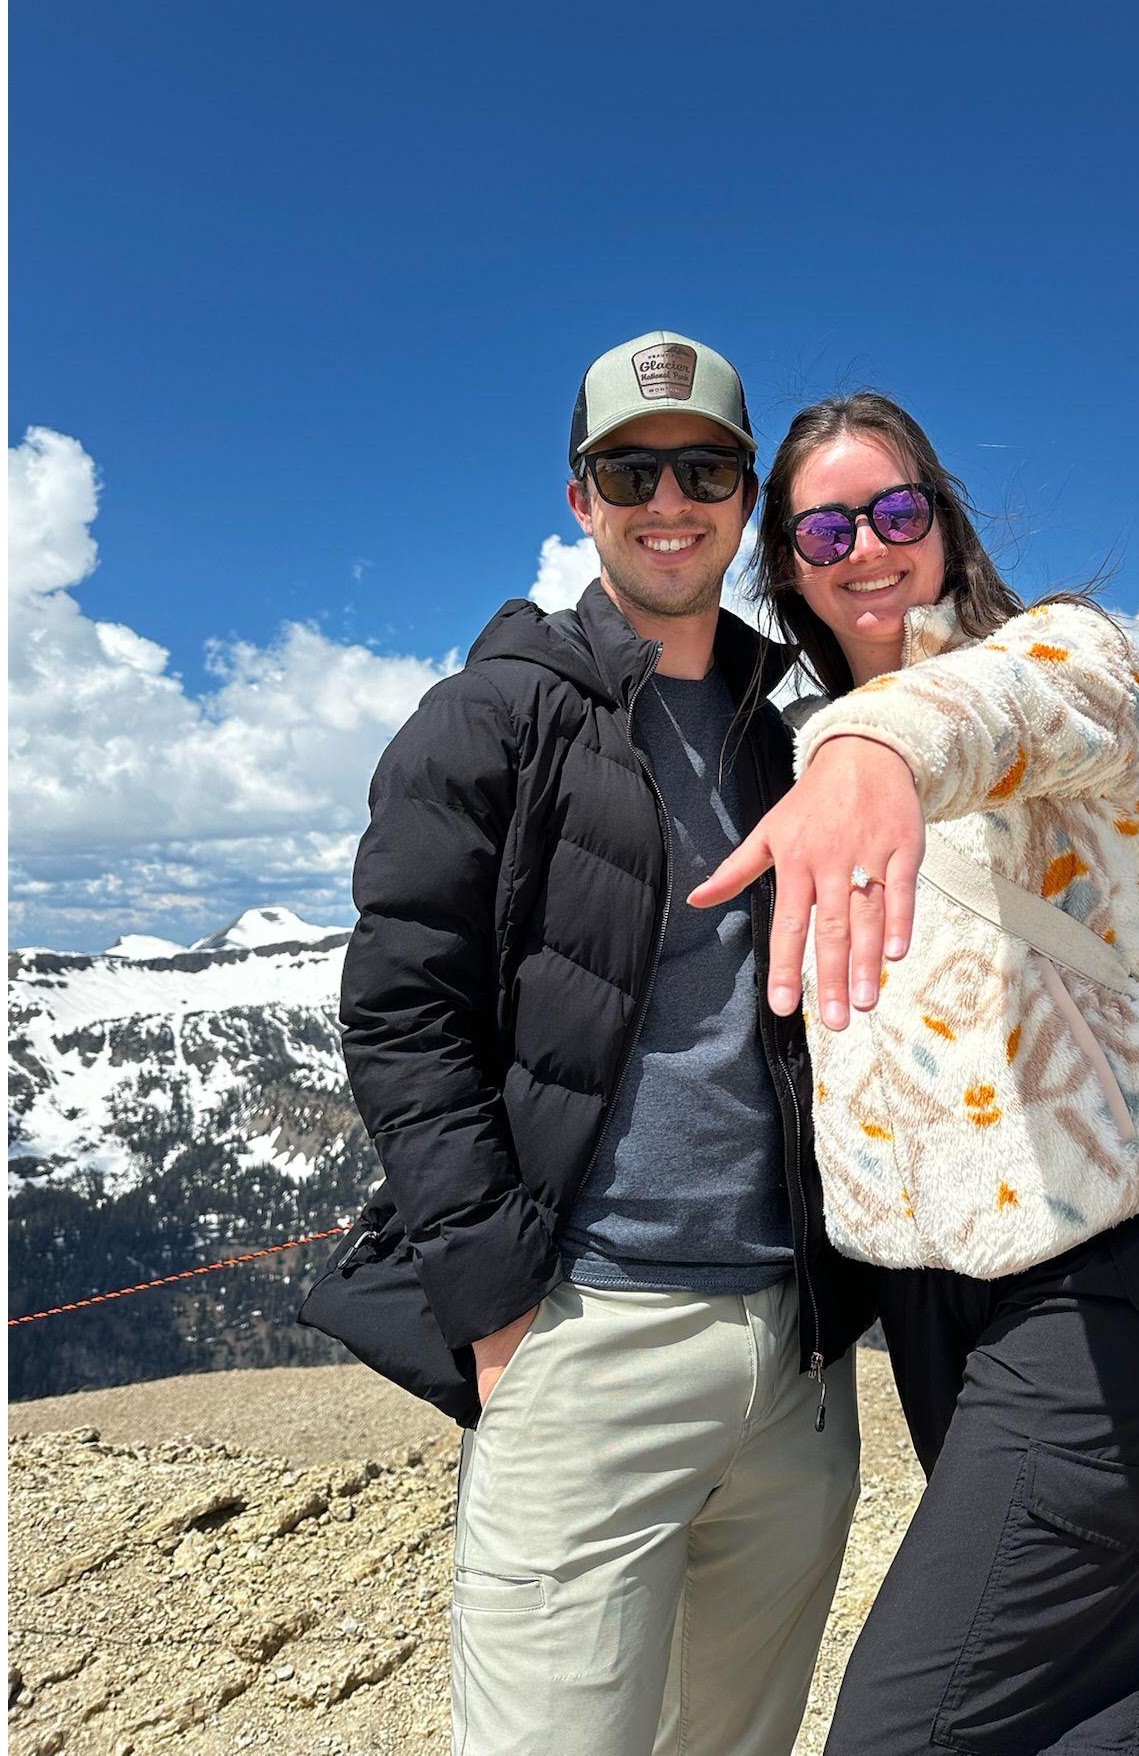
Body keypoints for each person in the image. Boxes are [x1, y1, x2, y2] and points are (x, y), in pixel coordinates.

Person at [690, 391, 1139, 1754]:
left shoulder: (1056, 654)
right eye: (825, 530)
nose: (867, 548)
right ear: (791, 569)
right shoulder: (795, 750)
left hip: (1110, 1273)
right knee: (1099, 1682)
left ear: (942, 522)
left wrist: (873, 746)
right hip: (942, 1295)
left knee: (918, 1727)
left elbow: (1019, 703)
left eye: (896, 511)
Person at [337, 333, 875, 1756]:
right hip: (585, 1334)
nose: (669, 502)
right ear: (581, 498)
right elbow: (401, 1014)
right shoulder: (488, 718)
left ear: (747, 498)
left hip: (795, 1356)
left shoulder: (794, 734)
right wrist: (496, 1310)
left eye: (704, 470)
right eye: (631, 473)